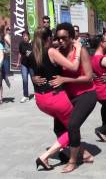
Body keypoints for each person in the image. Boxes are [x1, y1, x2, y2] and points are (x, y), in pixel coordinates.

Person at [47, 23, 97, 173]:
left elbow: (88, 77)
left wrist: (66, 80)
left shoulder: (81, 52)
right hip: (67, 96)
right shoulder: (57, 52)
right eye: (58, 38)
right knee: (58, 128)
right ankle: (84, 153)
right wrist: (37, 79)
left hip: (86, 94)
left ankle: (73, 161)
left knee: (73, 125)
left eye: (64, 38)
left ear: (71, 37)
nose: (61, 41)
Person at [29, 26, 81, 171]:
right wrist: (78, 50)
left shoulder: (33, 53)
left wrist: (33, 78)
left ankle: (71, 151)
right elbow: (73, 67)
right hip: (55, 97)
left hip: (40, 100)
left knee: (65, 127)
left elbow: (32, 71)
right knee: (73, 128)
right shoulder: (51, 51)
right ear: (49, 39)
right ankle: (45, 156)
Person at [17, 31, 34, 103]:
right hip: (24, 64)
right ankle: (25, 96)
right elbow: (20, 53)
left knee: (34, 79)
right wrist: (18, 62)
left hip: (32, 64)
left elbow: (36, 52)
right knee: (25, 80)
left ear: (29, 36)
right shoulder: (21, 44)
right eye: (23, 36)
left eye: (26, 35)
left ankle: (37, 93)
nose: (25, 37)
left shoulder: (32, 43)